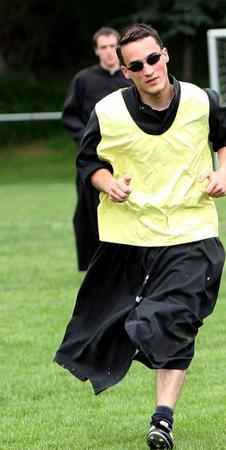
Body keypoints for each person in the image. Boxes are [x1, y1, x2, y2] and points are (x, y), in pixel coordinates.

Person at [53, 23, 226, 450]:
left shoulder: (201, 100)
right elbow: (88, 163)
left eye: (153, 59)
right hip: (131, 237)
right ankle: (145, 341)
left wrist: (224, 173)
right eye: (136, 65)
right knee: (131, 326)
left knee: (175, 319)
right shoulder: (108, 111)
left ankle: (163, 418)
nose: (148, 69)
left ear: (166, 55)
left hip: (192, 230)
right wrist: (108, 184)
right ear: (125, 71)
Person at [61, 27, 131, 271]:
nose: (109, 52)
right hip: (92, 160)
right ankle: (93, 265)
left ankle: (129, 261)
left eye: (113, 46)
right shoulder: (84, 79)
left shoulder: (131, 77)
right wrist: (87, 140)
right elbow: (69, 116)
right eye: (103, 47)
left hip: (126, 160)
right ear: (96, 50)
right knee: (88, 214)